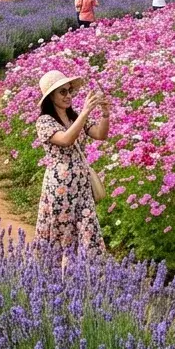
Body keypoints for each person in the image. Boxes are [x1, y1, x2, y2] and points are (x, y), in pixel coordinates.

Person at [34, 70, 110, 251]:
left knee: (88, 231)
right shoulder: (44, 121)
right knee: (63, 235)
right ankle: (56, 276)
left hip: (82, 186)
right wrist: (85, 112)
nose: (68, 96)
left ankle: (87, 276)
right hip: (61, 187)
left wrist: (105, 114)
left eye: (70, 91)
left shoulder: (74, 118)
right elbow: (66, 140)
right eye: (63, 92)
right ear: (50, 97)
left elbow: (100, 134)